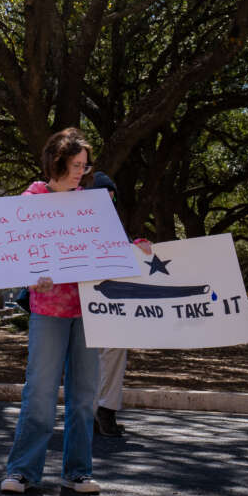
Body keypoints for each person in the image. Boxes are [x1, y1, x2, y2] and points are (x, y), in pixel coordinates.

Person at [1, 128, 103, 495]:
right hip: (48, 309)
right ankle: (22, 471)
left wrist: (136, 249)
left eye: (85, 165)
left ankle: (78, 472)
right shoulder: (32, 199)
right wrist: (30, 278)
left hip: (89, 310)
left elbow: (107, 248)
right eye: (76, 164)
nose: (82, 171)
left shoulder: (89, 203)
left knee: (84, 394)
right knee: (41, 392)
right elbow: (13, 252)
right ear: (57, 162)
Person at [86, 172, 152, 438]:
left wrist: (138, 247)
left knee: (113, 353)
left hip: (109, 302)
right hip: (81, 302)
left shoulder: (110, 222)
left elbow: (120, 249)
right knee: (90, 359)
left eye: (111, 200)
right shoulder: (73, 218)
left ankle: (104, 411)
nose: (107, 204)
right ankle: (91, 413)